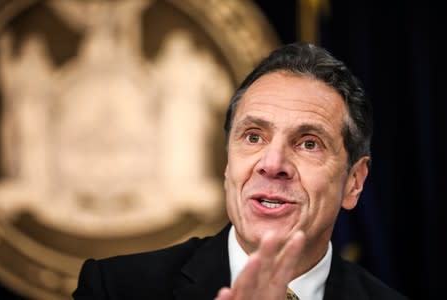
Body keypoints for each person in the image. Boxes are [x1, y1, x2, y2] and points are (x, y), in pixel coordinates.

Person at [72, 41, 408, 300]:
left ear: (354, 182)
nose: (272, 164)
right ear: (228, 164)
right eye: (253, 137)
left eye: (308, 143)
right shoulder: (115, 289)